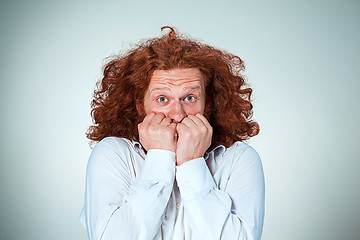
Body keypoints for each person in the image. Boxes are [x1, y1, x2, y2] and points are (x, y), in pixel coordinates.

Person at [79, 26, 265, 240]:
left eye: (189, 98)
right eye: (162, 99)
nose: (177, 114)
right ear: (140, 105)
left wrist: (191, 163)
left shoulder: (240, 159)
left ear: (208, 103)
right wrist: (159, 157)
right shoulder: (113, 154)